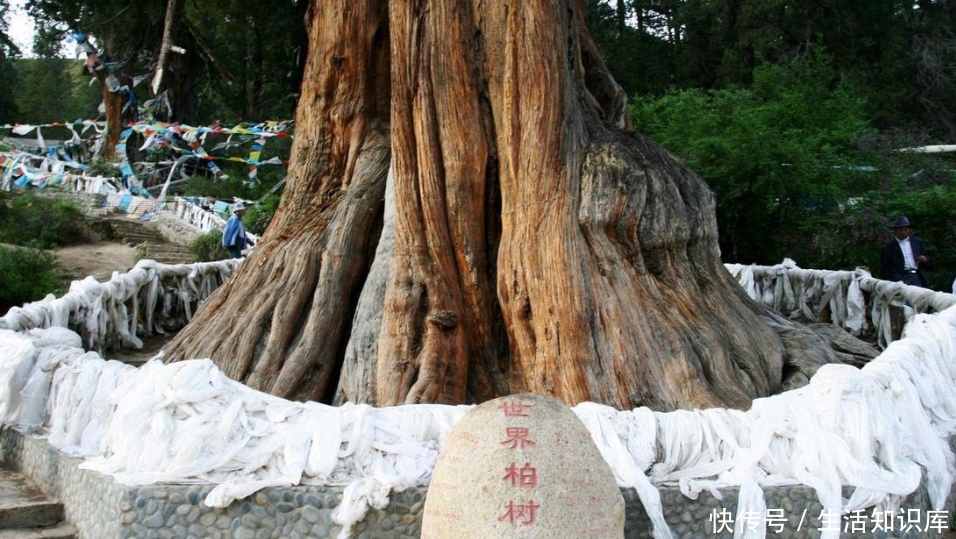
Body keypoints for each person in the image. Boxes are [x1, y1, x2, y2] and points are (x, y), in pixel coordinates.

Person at [879, 216, 931, 288]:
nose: (903, 232)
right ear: (895, 231)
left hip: (915, 276)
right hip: (899, 278)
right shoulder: (888, 248)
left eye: (905, 229)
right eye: (900, 230)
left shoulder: (917, 243)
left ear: (909, 230)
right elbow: (884, 269)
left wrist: (924, 259)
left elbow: (928, 260)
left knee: (918, 297)